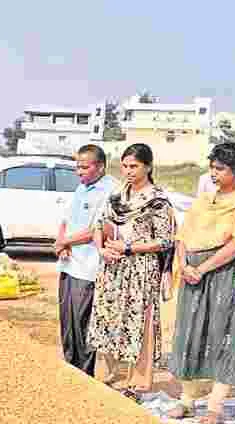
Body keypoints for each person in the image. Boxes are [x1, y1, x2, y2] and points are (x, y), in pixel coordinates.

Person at [167, 142, 235, 424]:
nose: (213, 173)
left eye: (220, 169)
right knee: (189, 333)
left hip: (225, 277)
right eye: (212, 167)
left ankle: (215, 406)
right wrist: (185, 265)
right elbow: (183, 235)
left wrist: (203, 269)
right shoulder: (204, 200)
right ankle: (187, 400)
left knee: (223, 336)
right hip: (192, 275)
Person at [87, 144, 176, 400]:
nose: (128, 171)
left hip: (140, 268)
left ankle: (137, 381)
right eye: (125, 166)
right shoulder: (117, 196)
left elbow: (164, 240)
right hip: (112, 265)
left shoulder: (157, 200)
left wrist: (129, 248)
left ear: (148, 167)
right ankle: (107, 375)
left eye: (134, 166)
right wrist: (101, 249)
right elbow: (100, 225)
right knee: (108, 316)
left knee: (139, 321)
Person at [54, 144, 118, 375]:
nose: (79, 172)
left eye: (84, 167)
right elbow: (65, 220)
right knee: (67, 323)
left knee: (83, 324)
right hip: (69, 264)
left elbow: (96, 230)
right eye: (77, 167)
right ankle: (70, 368)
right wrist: (62, 242)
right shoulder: (81, 188)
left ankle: (83, 373)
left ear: (100, 167)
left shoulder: (110, 191)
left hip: (89, 268)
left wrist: (65, 242)